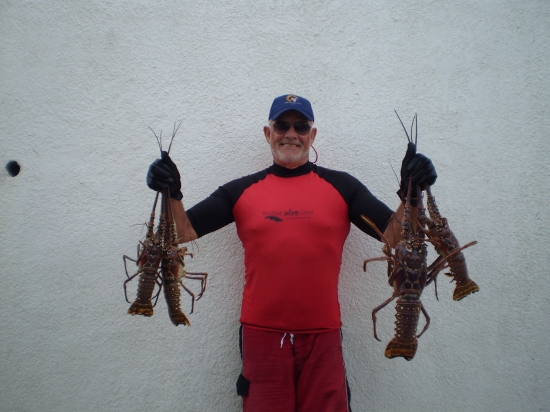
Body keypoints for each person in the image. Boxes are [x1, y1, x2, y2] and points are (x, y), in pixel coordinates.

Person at [146, 94, 437, 412]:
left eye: (301, 126)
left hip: (323, 336)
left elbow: (395, 236)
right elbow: (182, 232)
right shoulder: (240, 190)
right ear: (268, 133)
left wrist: (412, 190)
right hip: (261, 337)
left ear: (312, 136)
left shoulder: (343, 187)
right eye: (282, 125)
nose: (291, 133)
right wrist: (170, 192)